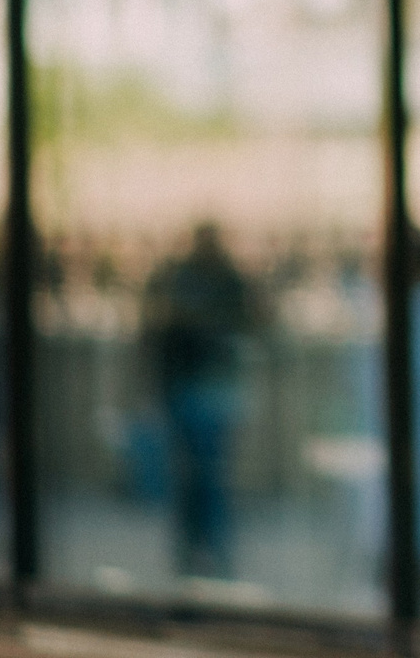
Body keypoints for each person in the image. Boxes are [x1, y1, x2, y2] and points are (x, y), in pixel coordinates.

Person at [144, 221, 258, 580]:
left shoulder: (206, 281)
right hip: (198, 390)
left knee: (203, 475)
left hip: (205, 390)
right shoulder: (204, 280)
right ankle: (202, 550)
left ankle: (205, 550)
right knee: (202, 475)